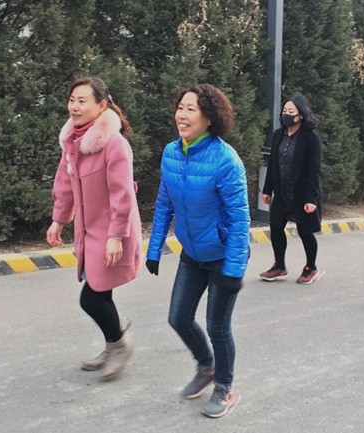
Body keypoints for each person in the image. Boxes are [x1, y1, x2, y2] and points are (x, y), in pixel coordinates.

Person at [145, 83, 249, 418]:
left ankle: (225, 386)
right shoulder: (171, 152)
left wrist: (234, 269)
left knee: (217, 326)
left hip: (222, 257)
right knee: (178, 318)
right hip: (192, 254)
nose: (182, 114)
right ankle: (207, 367)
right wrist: (154, 248)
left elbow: (239, 219)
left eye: (191, 109)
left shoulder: (226, 160)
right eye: (181, 107)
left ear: (209, 117)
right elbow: (164, 203)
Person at [46, 77, 142, 381]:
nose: (74, 107)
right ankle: (113, 345)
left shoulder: (114, 143)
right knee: (101, 290)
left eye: (82, 101)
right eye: (72, 100)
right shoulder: (72, 140)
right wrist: (59, 219)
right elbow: (64, 181)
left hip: (112, 230)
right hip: (88, 230)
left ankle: (119, 345)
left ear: (101, 106)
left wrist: (116, 236)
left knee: (91, 296)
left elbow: (122, 193)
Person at [259, 95, 324, 284]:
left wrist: (311, 199)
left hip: (302, 194)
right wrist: (267, 190)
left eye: (291, 111)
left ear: (301, 115)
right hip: (281, 191)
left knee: (305, 232)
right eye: (284, 111)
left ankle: (311, 267)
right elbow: (273, 164)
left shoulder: (311, 139)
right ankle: (279, 266)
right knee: (276, 227)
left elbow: (314, 171)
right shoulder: (278, 134)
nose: (286, 114)